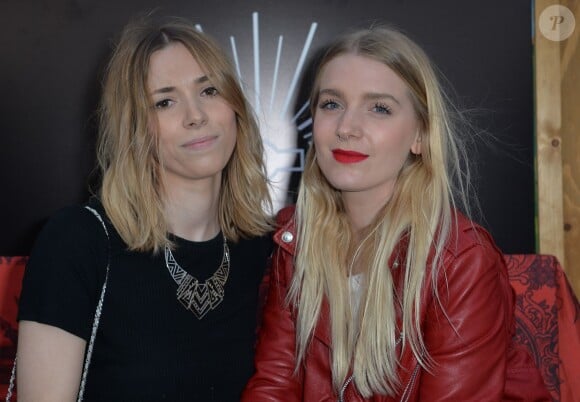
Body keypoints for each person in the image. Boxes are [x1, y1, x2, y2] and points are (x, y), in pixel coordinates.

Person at [242, 26, 550, 401]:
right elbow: (275, 384)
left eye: (379, 108)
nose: (346, 128)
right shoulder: (296, 240)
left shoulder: (460, 260)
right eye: (332, 104)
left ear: (419, 136)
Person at [15, 15, 273, 401]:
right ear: (134, 127)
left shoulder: (265, 249)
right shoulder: (78, 241)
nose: (195, 116)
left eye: (209, 91)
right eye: (165, 101)